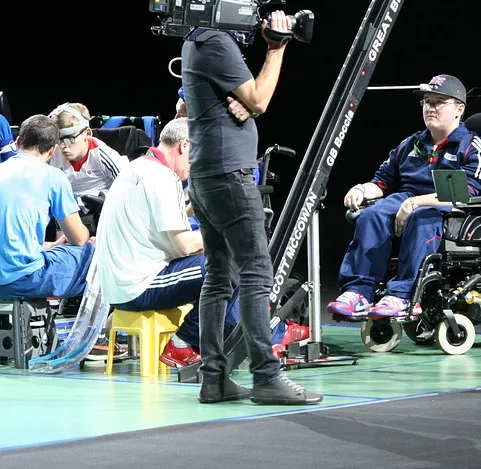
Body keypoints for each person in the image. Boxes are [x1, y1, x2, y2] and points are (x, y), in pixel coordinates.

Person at [181, 0, 320, 405]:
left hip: (206, 173)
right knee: (258, 273)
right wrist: (276, 50)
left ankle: (214, 378)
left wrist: (239, 98)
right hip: (227, 175)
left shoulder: (199, 40)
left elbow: (244, 99)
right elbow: (259, 99)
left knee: (218, 278)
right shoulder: (216, 42)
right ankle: (266, 375)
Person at [96, 118, 308, 370]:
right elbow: (184, 246)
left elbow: (161, 222)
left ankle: (257, 333)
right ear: (185, 146)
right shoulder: (162, 177)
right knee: (227, 264)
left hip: (119, 285)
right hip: (138, 285)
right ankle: (185, 342)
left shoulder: (139, 168)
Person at [327, 74, 481, 319]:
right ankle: (358, 292)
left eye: (439, 102)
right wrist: (361, 189)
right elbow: (382, 182)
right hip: (407, 198)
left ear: (459, 109)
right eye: (427, 102)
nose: (430, 107)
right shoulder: (411, 144)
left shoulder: (474, 147)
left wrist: (414, 203)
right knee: (372, 215)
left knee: (421, 217)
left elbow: (465, 193)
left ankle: (401, 296)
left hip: (455, 210)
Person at [0, 114, 95, 300]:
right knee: (91, 254)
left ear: (18, 142)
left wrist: (52, 245)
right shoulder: (53, 177)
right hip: (23, 280)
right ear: (52, 151)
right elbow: (79, 239)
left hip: (8, 277)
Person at [48, 102, 127, 198]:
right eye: (58, 139)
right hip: (68, 206)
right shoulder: (52, 152)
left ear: (87, 133)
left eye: (69, 138)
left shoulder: (103, 156)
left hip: (101, 206)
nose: (62, 146)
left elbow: (129, 189)